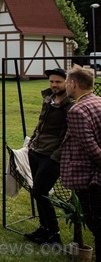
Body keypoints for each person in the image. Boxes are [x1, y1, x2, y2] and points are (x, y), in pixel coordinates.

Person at [23, 68, 73, 246]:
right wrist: (32, 143)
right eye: (51, 81)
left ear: (67, 83)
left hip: (51, 155)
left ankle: (54, 234)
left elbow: (68, 134)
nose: (54, 85)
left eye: (58, 82)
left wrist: (56, 156)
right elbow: (40, 123)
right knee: (38, 192)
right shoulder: (49, 99)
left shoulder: (70, 105)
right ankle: (44, 229)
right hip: (37, 150)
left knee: (40, 192)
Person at [60, 66, 101, 258]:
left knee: (96, 224)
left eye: (67, 82)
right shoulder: (98, 102)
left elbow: (90, 148)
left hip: (91, 178)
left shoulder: (77, 110)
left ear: (73, 84)